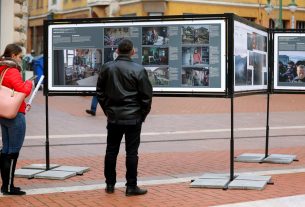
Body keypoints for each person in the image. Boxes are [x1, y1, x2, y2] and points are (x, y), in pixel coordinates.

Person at [96, 39, 152, 196]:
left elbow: (99, 91)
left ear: (117, 51)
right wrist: (142, 114)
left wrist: (107, 110)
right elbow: (146, 96)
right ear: (132, 51)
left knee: (111, 151)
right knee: (132, 153)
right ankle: (131, 186)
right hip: (133, 118)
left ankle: (109, 184)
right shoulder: (139, 69)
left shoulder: (107, 67)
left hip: (114, 117)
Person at [0, 43, 33, 195]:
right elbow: (22, 90)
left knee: (6, 149)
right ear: (13, 56)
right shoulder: (12, 70)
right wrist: (29, 83)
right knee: (13, 152)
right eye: (20, 57)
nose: (21, 60)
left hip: (4, 113)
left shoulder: (1, 68)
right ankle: (8, 187)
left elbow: (13, 93)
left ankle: (5, 186)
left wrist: (22, 104)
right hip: (14, 116)